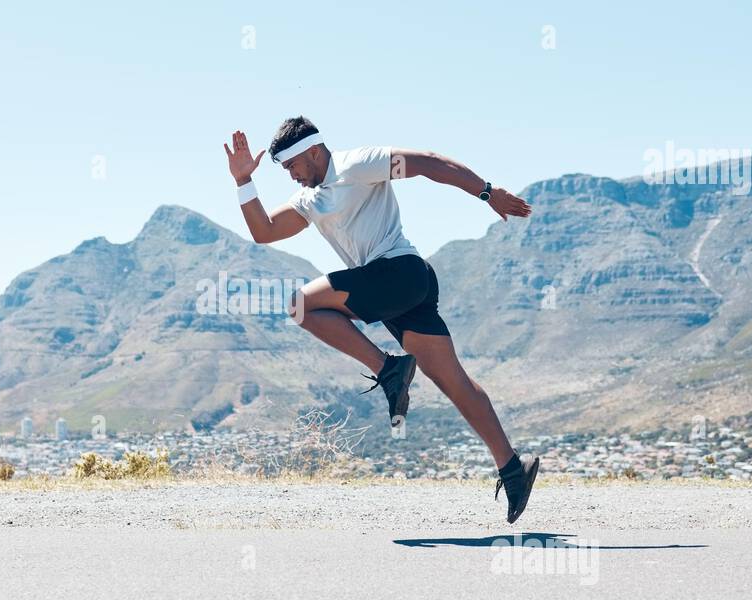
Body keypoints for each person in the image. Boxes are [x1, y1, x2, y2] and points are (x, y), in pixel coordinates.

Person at [223, 116, 540, 523]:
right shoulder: (309, 201)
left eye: (292, 166)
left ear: (313, 151)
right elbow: (263, 231)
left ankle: (389, 369)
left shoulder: (359, 164)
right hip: (399, 289)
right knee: (452, 381)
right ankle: (512, 468)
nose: (291, 176)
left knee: (300, 305)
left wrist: (487, 192)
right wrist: (242, 181)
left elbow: (427, 162)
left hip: (400, 273)